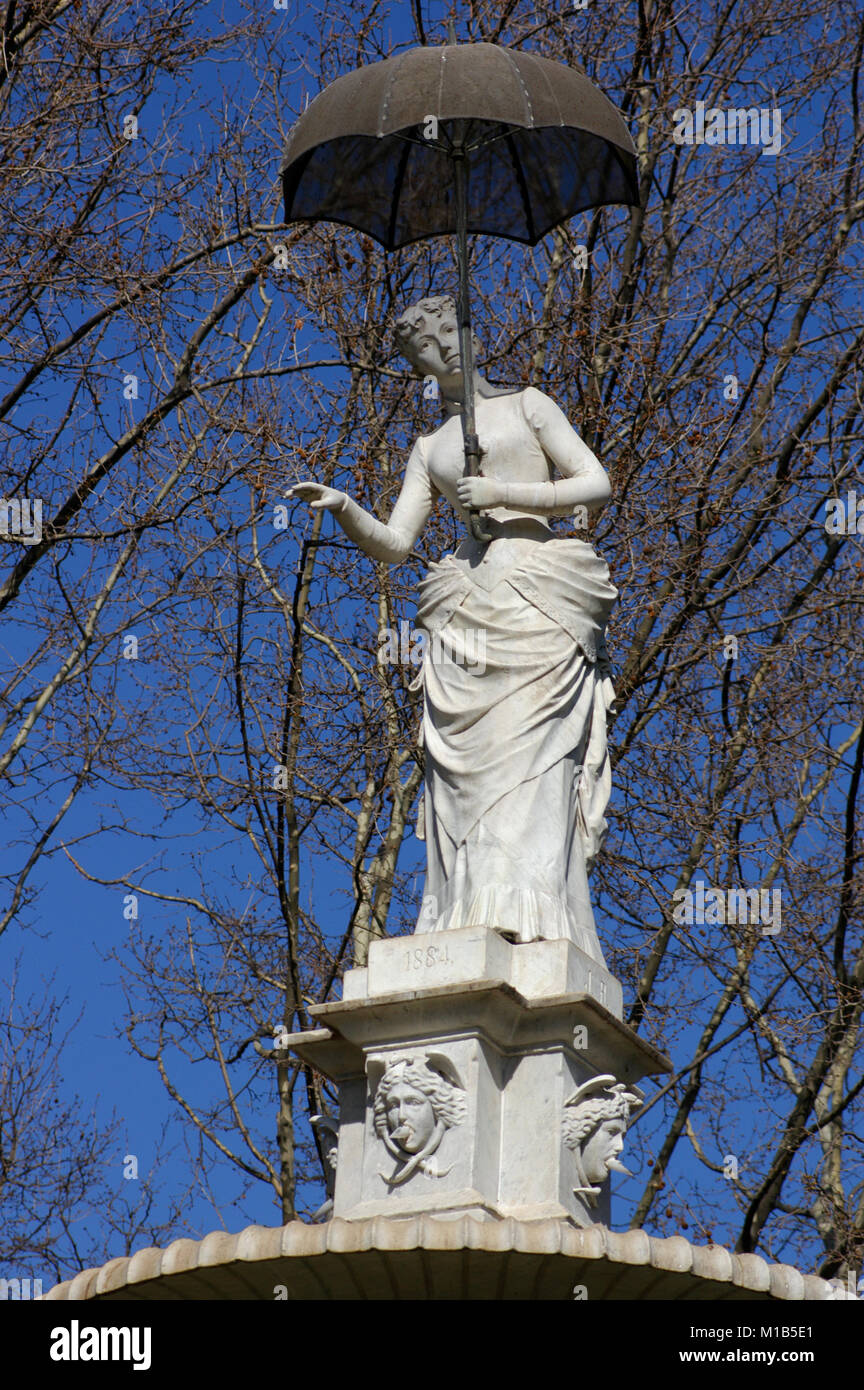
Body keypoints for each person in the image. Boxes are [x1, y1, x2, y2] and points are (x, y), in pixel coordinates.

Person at [289, 295, 617, 965]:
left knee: (534, 768)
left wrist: (506, 495)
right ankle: (468, 910)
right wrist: (347, 507)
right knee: (461, 783)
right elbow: (396, 543)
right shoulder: (431, 445)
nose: (445, 352)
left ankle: (529, 914)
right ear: (420, 366)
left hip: (540, 601)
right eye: (428, 350)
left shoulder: (530, 403)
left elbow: (595, 482)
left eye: (451, 336)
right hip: (469, 609)